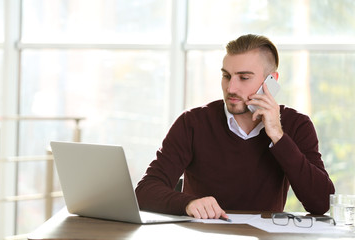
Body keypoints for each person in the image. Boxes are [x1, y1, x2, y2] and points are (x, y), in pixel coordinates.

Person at [135, 34, 335, 220]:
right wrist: (188, 204)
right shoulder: (192, 123)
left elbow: (321, 203)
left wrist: (278, 136)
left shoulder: (296, 125)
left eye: (244, 77)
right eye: (226, 76)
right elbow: (145, 191)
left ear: (271, 81)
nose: (231, 88)